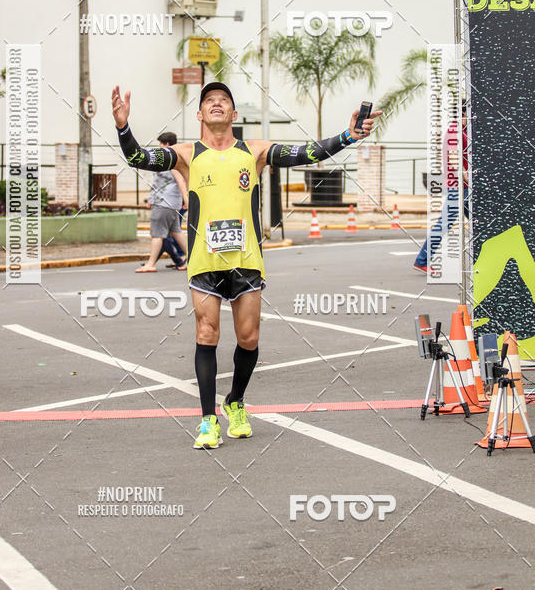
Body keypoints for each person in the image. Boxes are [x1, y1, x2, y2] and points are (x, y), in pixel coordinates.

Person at [113, 81, 381, 449]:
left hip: (247, 261)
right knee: (206, 332)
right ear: (200, 114)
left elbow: (308, 153)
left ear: (234, 114)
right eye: (210, 101)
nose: (217, 104)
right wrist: (123, 127)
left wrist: (349, 135)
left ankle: (235, 401)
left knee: (249, 338)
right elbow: (138, 159)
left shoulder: (254, 151)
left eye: (224, 100)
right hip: (205, 261)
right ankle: (208, 420)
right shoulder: (187, 154)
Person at [414, 104, 469, 274]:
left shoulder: (462, 129)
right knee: (444, 223)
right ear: (463, 113)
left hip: (462, 187)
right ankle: (422, 260)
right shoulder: (455, 131)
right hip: (460, 187)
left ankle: (422, 260)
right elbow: (454, 159)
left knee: (481, 222)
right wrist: (469, 178)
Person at [136, 131, 188, 274]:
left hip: (164, 202)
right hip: (171, 202)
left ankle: (151, 264)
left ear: (166, 144)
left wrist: (186, 198)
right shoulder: (177, 156)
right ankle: (193, 258)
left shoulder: (171, 158)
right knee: (176, 232)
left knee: (157, 234)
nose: (159, 146)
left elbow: (180, 179)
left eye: (160, 143)